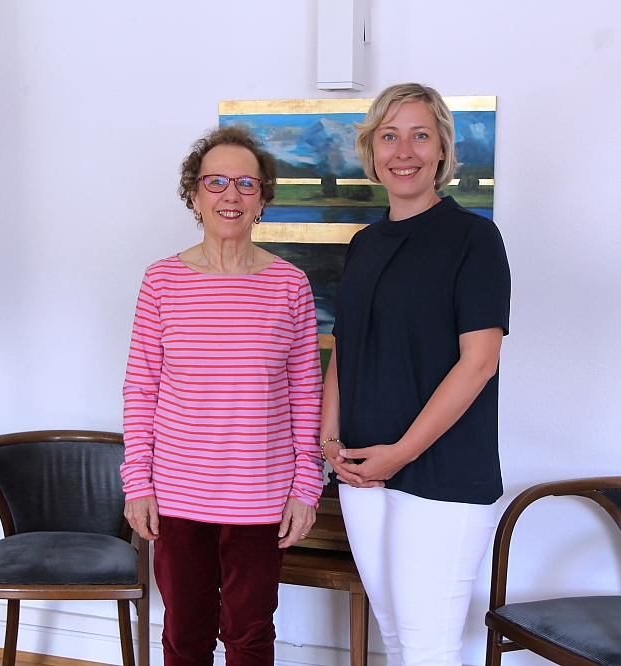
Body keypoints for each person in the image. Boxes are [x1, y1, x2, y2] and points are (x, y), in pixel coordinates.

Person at [320, 83, 511, 666]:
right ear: (372, 151)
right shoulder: (364, 243)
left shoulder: (474, 239)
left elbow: (479, 361)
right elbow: (344, 348)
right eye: (389, 135)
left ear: (443, 152)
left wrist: (399, 453)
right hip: (362, 470)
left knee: (429, 647)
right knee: (398, 638)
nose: (404, 150)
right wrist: (329, 440)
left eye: (420, 135)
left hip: (443, 474)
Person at [120, 125, 324, 666]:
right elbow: (141, 388)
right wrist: (136, 481)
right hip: (177, 495)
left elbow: (307, 393)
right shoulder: (161, 282)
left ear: (262, 200)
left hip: (261, 495)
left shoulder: (290, 285)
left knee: (250, 637)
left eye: (246, 184)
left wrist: (307, 485)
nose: (230, 195)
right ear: (194, 196)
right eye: (215, 182)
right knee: (185, 637)